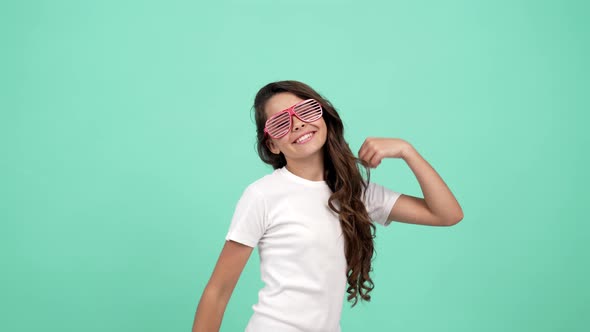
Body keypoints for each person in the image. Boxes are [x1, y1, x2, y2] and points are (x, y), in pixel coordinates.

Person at [192, 80, 463, 332]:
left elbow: (446, 214)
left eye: (306, 110)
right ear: (272, 145)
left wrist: (407, 151)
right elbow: (218, 291)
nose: (297, 124)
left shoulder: (355, 193)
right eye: (279, 124)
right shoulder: (262, 195)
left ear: (323, 116)